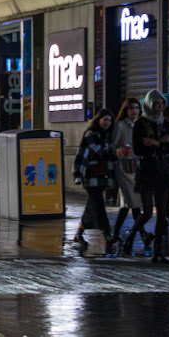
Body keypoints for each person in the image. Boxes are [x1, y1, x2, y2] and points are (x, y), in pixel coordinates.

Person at [133, 90, 169, 259]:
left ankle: (158, 249)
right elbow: (138, 148)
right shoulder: (140, 123)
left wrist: (156, 142)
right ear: (149, 104)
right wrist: (159, 144)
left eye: (162, 104)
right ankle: (131, 235)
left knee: (162, 211)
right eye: (156, 104)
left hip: (163, 171)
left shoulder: (167, 124)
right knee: (147, 211)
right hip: (147, 170)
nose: (159, 107)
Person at [71, 107, 116, 254]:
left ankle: (79, 233)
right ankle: (107, 232)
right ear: (98, 120)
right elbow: (81, 155)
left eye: (109, 120)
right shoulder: (91, 135)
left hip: (103, 177)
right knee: (98, 204)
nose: (107, 123)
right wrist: (77, 174)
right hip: (90, 177)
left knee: (91, 206)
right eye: (105, 120)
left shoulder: (109, 136)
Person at [109, 97, 144, 253]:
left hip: (137, 167)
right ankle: (141, 234)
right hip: (124, 168)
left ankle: (117, 233)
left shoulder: (141, 124)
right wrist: (118, 151)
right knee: (133, 201)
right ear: (126, 110)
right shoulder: (121, 126)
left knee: (129, 203)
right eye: (131, 108)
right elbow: (113, 145)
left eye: (136, 108)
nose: (134, 111)